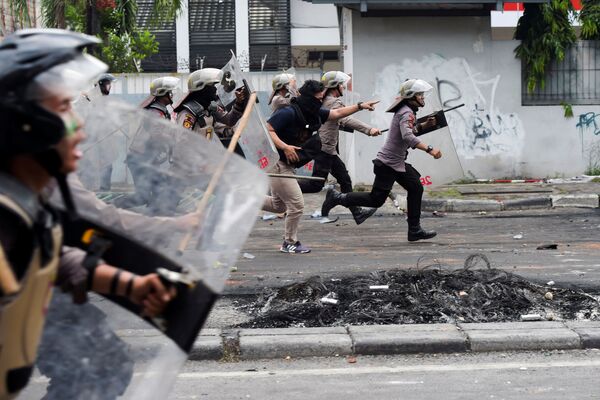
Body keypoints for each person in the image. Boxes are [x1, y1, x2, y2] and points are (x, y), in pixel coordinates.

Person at [0, 29, 174, 399]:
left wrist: (132, 285)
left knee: (100, 364)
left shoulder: (23, 201)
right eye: (63, 109)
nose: (80, 129)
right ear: (25, 123)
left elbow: (48, 255)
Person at [264, 79, 379, 253]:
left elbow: (337, 113)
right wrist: (285, 147)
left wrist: (360, 106)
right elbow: (268, 129)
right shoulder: (288, 112)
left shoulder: (313, 112)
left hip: (287, 164)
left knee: (278, 206)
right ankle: (289, 242)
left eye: (321, 98)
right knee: (296, 205)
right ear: (308, 97)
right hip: (278, 164)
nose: (320, 101)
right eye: (317, 98)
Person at [321, 78, 442, 242]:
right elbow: (407, 136)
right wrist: (430, 149)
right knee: (376, 199)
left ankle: (414, 230)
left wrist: (424, 125)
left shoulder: (407, 111)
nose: (423, 98)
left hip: (397, 163)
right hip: (388, 164)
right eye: (420, 95)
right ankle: (338, 197)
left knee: (416, 188)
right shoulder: (406, 112)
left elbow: (408, 131)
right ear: (412, 96)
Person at [298, 71, 381, 225]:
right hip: (325, 149)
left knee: (344, 180)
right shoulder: (334, 102)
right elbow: (346, 119)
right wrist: (369, 129)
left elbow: (340, 121)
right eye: (342, 84)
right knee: (316, 185)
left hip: (327, 149)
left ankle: (357, 213)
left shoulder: (325, 100)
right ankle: (283, 189)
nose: (344, 87)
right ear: (336, 86)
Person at [113, 76, 180, 212]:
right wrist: (174, 138)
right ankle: (113, 206)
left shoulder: (161, 110)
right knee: (143, 196)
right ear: (163, 94)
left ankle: (156, 217)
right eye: (169, 92)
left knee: (159, 191)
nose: (172, 94)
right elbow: (156, 134)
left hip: (148, 159)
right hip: (140, 160)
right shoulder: (155, 111)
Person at [174, 68, 247, 141]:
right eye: (212, 85)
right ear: (202, 88)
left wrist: (239, 102)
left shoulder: (210, 107)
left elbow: (229, 120)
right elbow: (182, 142)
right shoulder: (188, 114)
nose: (215, 89)